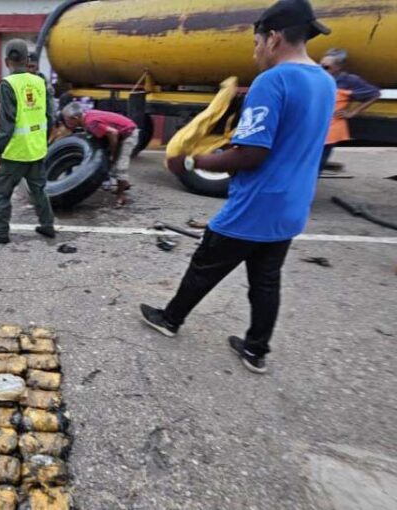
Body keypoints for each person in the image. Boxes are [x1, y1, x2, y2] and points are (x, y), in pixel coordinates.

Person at [140, 0, 335, 374]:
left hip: (256, 204)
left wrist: (192, 162)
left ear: (273, 38)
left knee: (205, 263)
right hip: (292, 206)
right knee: (265, 280)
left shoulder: (272, 81)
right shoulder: (326, 82)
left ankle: (170, 319)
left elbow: (250, 154)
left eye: (256, 43)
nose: (255, 51)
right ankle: (255, 351)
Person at [0, 40, 56, 244]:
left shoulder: (7, 84)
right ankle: (47, 225)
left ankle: (1, 232)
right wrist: (42, 141)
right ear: (27, 60)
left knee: (2, 195)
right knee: (39, 190)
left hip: (14, 153)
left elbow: (6, 124)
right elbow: (50, 116)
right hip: (36, 150)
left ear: (6, 61)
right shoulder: (40, 82)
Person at [62, 103, 138, 207]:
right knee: (111, 160)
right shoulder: (86, 118)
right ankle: (124, 184)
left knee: (120, 165)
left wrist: (113, 152)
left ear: (75, 118)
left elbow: (113, 133)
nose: (67, 123)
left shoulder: (90, 122)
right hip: (121, 131)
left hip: (129, 133)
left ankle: (121, 196)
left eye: (68, 120)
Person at [319, 48, 381, 174]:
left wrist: (352, 113)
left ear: (338, 67)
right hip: (313, 127)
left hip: (330, 130)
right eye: (321, 66)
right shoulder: (318, 77)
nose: (322, 69)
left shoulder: (349, 81)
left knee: (318, 163)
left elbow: (374, 94)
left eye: (326, 67)